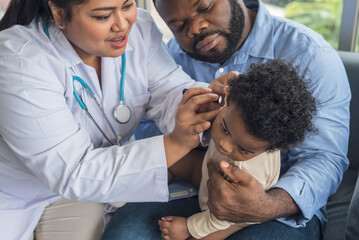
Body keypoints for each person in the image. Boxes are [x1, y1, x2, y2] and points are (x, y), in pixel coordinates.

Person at [103, 0, 351, 239]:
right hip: (191, 188)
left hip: (279, 206)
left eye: (205, 7)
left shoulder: (309, 54)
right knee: (125, 235)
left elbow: (324, 159)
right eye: (178, 26)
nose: (195, 28)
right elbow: (147, 127)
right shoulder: (172, 58)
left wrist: (266, 205)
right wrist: (194, 134)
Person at [0, 0, 230, 239]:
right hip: (14, 191)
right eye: (103, 16)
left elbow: (168, 90)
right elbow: (72, 171)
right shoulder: (18, 60)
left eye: (128, 5)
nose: (122, 24)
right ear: (59, 13)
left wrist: (207, 102)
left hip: (85, 191)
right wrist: (176, 144)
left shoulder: (140, 29)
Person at [158, 60, 317, 240]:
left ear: (271, 148)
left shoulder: (248, 170)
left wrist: (189, 227)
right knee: (170, 159)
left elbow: (221, 219)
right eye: (225, 129)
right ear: (227, 97)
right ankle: (138, 188)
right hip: (209, 171)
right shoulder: (235, 110)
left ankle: (230, 227)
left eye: (243, 149)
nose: (225, 145)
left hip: (231, 214)